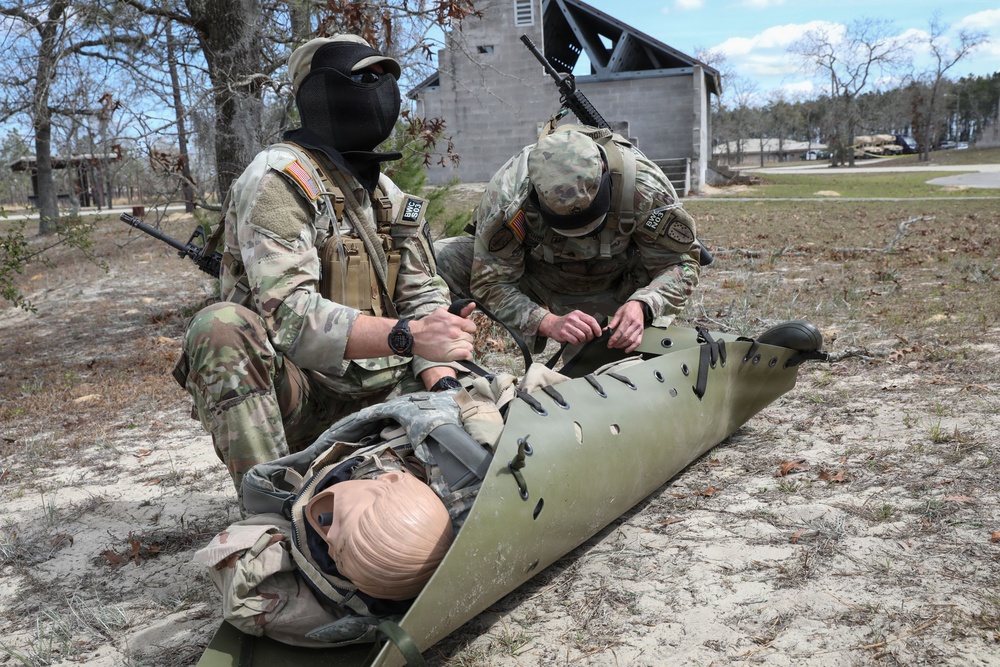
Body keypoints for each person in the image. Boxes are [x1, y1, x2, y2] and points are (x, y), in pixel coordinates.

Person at [173, 35, 476, 503]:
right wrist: (408, 335)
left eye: (384, 79)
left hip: (386, 386)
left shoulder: (387, 196)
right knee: (220, 327)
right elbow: (291, 317)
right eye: (362, 79)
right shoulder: (278, 180)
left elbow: (423, 298)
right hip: (306, 398)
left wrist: (444, 377)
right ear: (319, 94)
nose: (378, 90)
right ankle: (270, 510)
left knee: (487, 415)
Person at [434, 125, 702, 357]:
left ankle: (603, 347)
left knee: (603, 384)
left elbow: (682, 264)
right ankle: (438, 366)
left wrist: (644, 304)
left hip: (616, 286)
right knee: (438, 259)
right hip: (535, 278)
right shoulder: (508, 197)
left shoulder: (643, 187)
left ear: (605, 172)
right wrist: (545, 321)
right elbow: (491, 282)